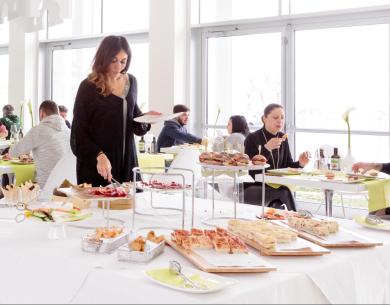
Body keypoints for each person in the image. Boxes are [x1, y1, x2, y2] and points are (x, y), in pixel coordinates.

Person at [71, 35, 160, 186]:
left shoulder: (131, 82)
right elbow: (77, 135)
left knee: (131, 207)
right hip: (99, 167)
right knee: (100, 208)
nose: (118, 67)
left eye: (123, 61)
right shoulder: (88, 87)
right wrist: (98, 155)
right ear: (103, 58)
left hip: (128, 164)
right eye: (113, 60)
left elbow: (133, 120)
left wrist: (146, 119)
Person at [243, 103, 310, 210]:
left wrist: (300, 163)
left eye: (282, 117)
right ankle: (297, 220)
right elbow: (250, 171)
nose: (280, 121)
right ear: (264, 119)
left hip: (276, 185)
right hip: (253, 186)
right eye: (275, 117)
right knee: (285, 191)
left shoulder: (283, 138)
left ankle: (288, 223)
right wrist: (267, 149)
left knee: (278, 206)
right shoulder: (252, 138)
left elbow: (288, 165)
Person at [9, 100, 70, 188]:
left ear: (41, 113)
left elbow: (14, 152)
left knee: (19, 185)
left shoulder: (39, 130)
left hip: (46, 187)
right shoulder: (68, 131)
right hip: (67, 186)